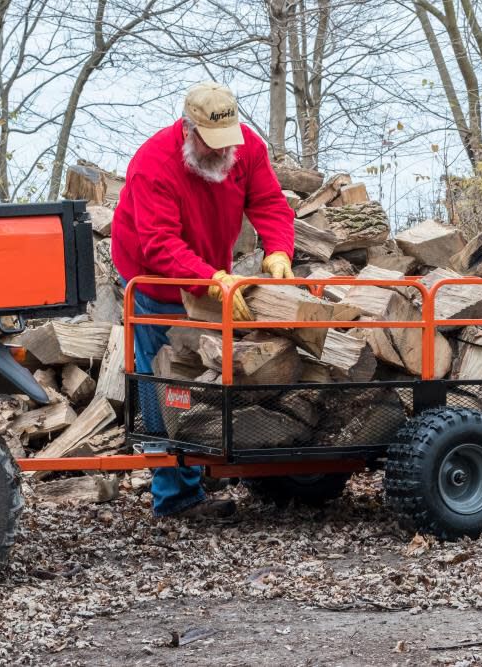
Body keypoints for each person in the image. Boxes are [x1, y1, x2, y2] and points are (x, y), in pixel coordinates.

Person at [111, 81, 295, 519]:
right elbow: (158, 244)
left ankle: (217, 457)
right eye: (211, 145)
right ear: (188, 130)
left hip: (210, 267)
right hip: (154, 279)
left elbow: (268, 201)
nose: (220, 153)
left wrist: (279, 249)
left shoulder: (245, 147)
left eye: (226, 144)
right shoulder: (153, 163)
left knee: (214, 369)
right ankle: (175, 498)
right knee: (169, 378)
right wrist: (209, 279)